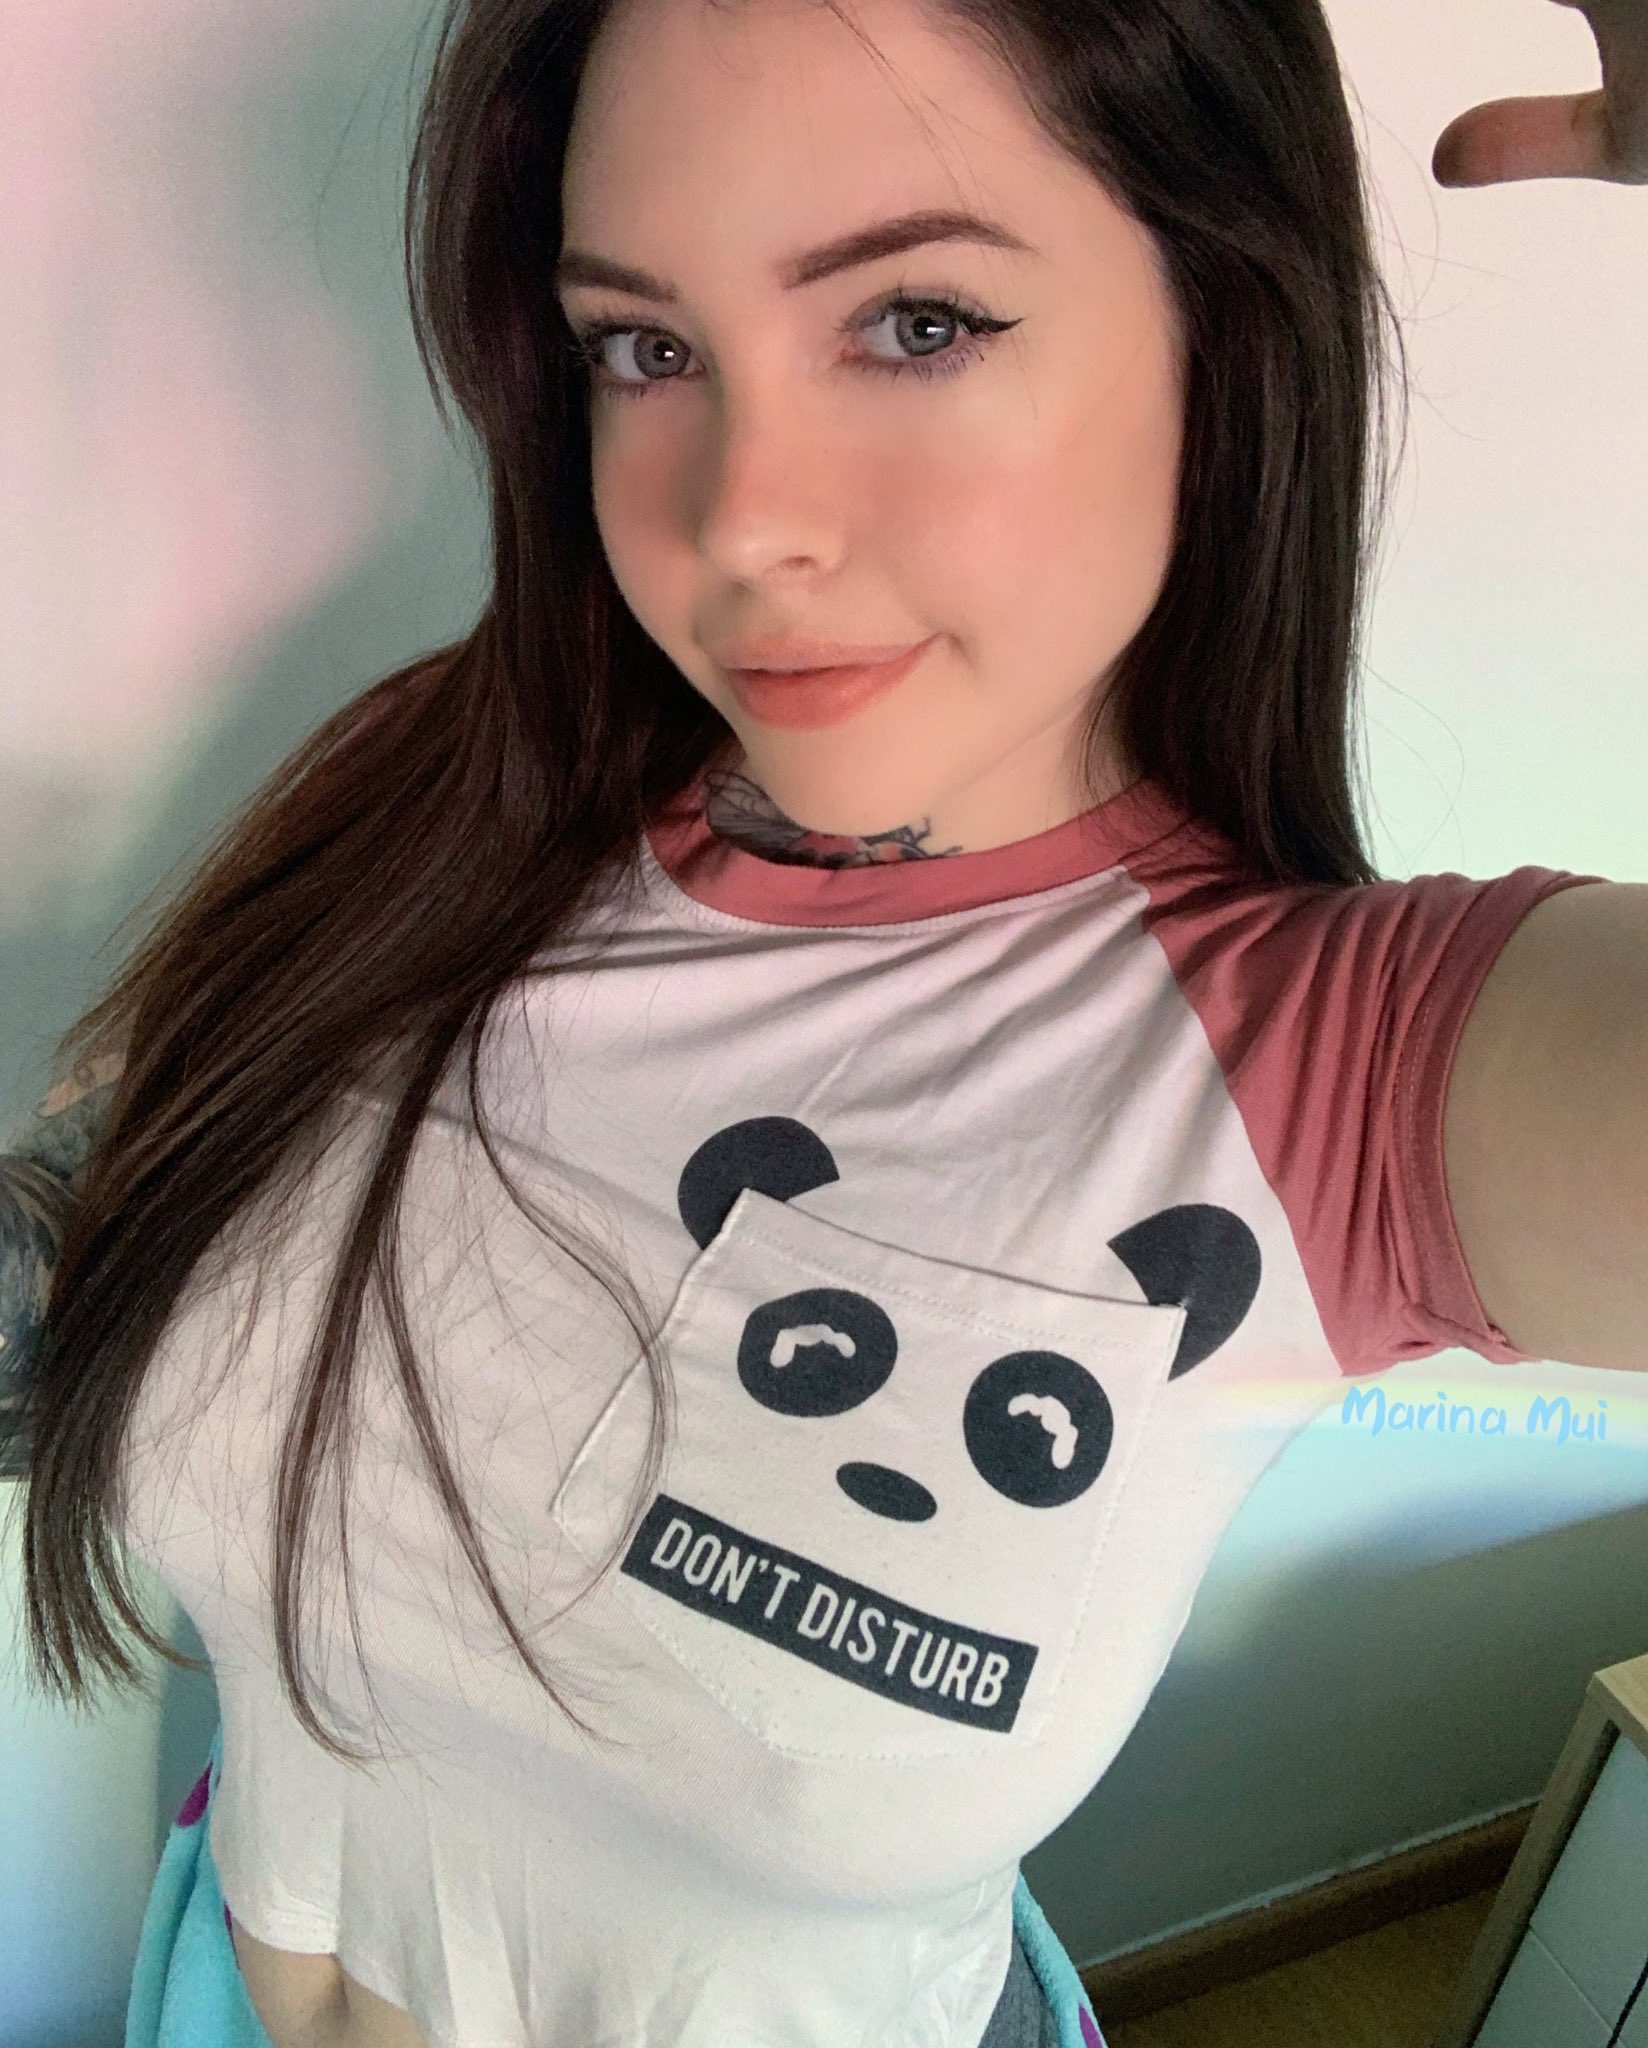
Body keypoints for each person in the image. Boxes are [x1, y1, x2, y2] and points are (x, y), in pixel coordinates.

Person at [5, 0, 1645, 2042]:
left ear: (1223, 330)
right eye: (645, 346)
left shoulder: (1330, 1080)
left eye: (915, 322)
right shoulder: (437, 801)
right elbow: (85, 1253)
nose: (739, 520)